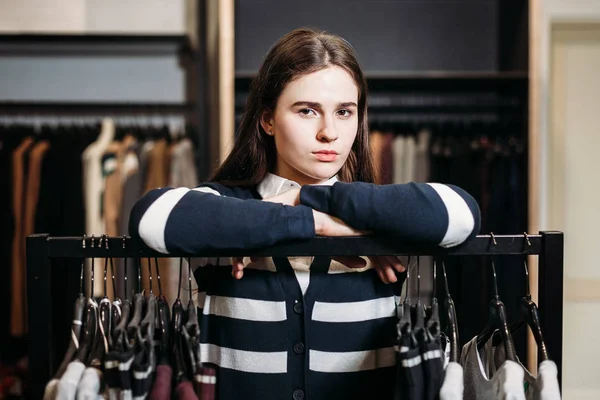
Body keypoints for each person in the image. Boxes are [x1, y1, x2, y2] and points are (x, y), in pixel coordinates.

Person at [129, 27, 480, 400]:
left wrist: (313, 202)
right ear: (267, 120)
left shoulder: (377, 213)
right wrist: (318, 223)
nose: (329, 132)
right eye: (307, 111)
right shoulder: (226, 208)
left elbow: (462, 216)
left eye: (344, 112)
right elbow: (151, 219)